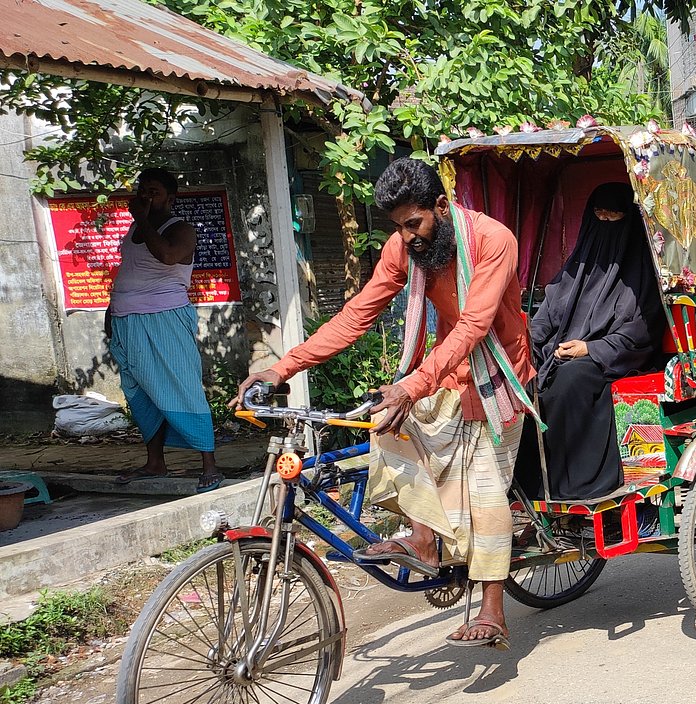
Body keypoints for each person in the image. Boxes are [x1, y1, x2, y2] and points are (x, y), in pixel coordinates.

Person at [234, 159, 536, 649]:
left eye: (413, 224)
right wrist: (282, 367)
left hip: (497, 375)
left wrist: (412, 387)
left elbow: (474, 326)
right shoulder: (404, 248)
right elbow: (357, 315)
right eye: (397, 227)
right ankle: (422, 537)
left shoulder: (492, 239)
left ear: (441, 206)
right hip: (442, 370)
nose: (407, 237)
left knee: (481, 492)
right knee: (387, 423)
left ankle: (493, 609)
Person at [516, 183, 664, 500]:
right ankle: (532, 485)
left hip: (613, 362)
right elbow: (549, 313)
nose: (604, 224)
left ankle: (576, 484)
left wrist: (590, 349)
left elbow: (639, 332)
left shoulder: (642, 274)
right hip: (563, 353)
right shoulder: (579, 266)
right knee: (524, 381)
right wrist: (524, 342)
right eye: (599, 216)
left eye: (613, 218)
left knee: (570, 381)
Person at [105, 168, 223, 493]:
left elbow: (168, 256)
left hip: (165, 319)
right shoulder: (134, 228)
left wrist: (142, 219)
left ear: (171, 198)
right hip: (126, 322)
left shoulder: (182, 230)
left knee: (183, 385)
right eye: (142, 190)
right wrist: (111, 315)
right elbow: (128, 272)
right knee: (139, 391)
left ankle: (209, 465)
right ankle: (155, 462)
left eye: (153, 192)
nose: (145, 197)